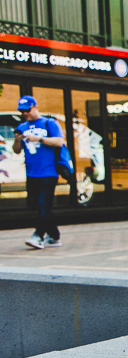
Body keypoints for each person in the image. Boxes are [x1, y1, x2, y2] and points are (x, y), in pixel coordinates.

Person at [14, 95, 64, 249]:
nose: (25, 114)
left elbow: (59, 141)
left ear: (35, 107)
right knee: (42, 206)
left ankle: (38, 236)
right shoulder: (22, 127)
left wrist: (39, 139)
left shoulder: (49, 123)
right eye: (22, 111)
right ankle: (55, 236)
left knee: (43, 204)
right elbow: (16, 151)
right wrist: (17, 140)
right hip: (32, 173)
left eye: (27, 110)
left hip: (48, 172)